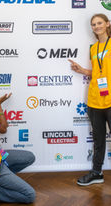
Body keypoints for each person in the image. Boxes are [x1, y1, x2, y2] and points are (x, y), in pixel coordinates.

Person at [69, 13, 111, 186]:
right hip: (94, 100)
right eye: (93, 24)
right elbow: (97, 72)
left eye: (100, 23)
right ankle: (96, 172)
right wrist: (82, 70)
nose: (96, 26)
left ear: (108, 24)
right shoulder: (93, 48)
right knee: (98, 140)